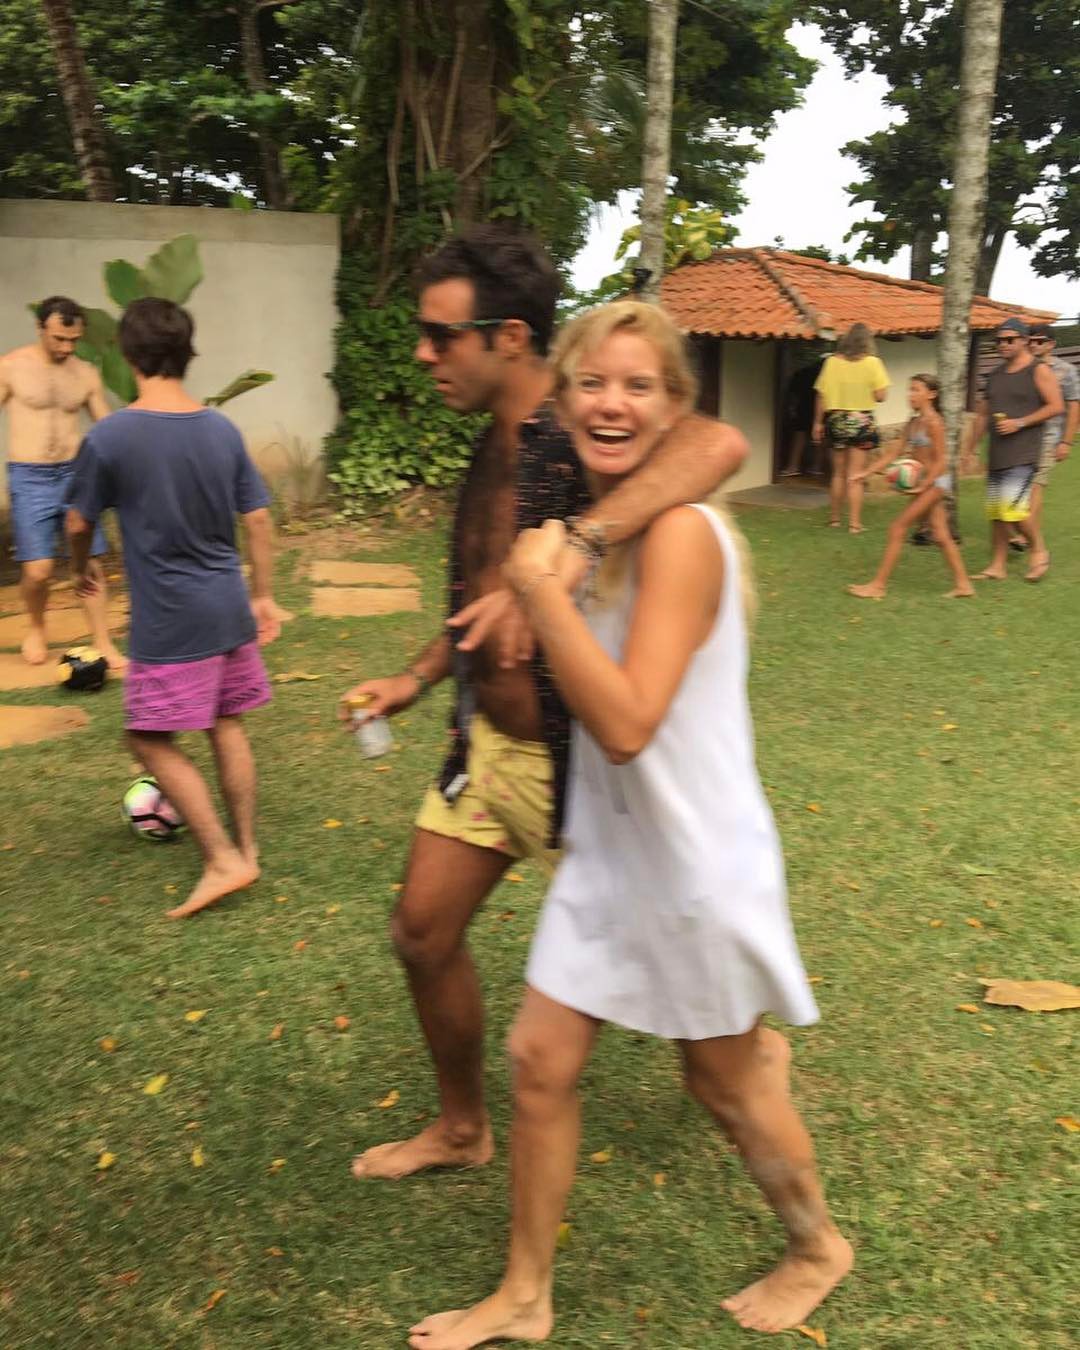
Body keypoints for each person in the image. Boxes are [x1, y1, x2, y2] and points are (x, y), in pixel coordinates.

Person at [407, 301, 851, 1350]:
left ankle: (817, 1246)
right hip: (612, 855)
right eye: (593, 384)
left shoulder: (683, 534)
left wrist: (539, 589)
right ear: (562, 404)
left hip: (695, 859)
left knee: (720, 1080)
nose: (614, 403)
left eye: (640, 385)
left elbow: (626, 726)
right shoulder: (595, 524)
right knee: (540, 1059)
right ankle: (525, 1295)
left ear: (675, 407)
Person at [341, 226, 748, 1182]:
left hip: (589, 768)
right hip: (489, 750)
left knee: (702, 1020)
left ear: (510, 337)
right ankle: (461, 1128)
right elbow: (485, 595)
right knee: (421, 931)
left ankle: (746, 1056)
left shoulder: (582, 430)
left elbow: (719, 441)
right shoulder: (491, 446)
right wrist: (420, 676)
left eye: (442, 335)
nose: (423, 353)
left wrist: (578, 544)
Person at [66, 298, 280, 918]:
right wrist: (264, 595)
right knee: (225, 722)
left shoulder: (110, 436)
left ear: (128, 355)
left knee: (147, 737)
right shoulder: (221, 429)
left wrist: (81, 567)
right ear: (187, 354)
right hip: (227, 605)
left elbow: (78, 521)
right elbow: (258, 518)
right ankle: (247, 848)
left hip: (170, 614)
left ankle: (223, 860)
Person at [0, 297, 125, 668]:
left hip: (75, 473)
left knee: (90, 563)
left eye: (74, 340)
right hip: (29, 476)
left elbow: (106, 426)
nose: (67, 348)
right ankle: (37, 628)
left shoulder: (85, 373)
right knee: (37, 571)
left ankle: (103, 641)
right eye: (59, 339)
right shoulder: (11, 367)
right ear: (40, 328)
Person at [847, 374, 973, 599]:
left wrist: (923, 484)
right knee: (941, 535)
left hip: (936, 482)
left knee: (897, 528)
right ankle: (964, 586)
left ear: (931, 394)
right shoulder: (913, 423)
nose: (910, 394)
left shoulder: (934, 423)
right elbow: (893, 453)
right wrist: (864, 473)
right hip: (925, 482)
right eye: (909, 390)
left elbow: (942, 461)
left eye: (916, 390)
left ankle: (878, 586)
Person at [964, 317, 1063, 583]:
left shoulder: (1038, 370)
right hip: (998, 451)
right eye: (999, 340)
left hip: (1024, 451)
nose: (1003, 344)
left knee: (1012, 509)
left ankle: (1039, 550)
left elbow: (1056, 406)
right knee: (997, 512)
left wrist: (1020, 422)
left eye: (1009, 339)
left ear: (1024, 340)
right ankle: (997, 566)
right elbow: (982, 414)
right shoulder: (995, 375)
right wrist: (969, 449)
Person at [811, 323, 890, 533]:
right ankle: (855, 524)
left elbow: (821, 395)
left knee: (838, 473)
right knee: (856, 475)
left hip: (836, 420)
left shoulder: (831, 362)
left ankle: (834, 519)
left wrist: (817, 423)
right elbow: (881, 396)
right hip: (861, 421)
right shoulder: (873, 363)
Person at [1025, 324, 1078, 557]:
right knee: (1021, 488)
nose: (1033, 345)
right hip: (1021, 436)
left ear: (1051, 344)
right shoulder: (1022, 368)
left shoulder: (1066, 371)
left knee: (1035, 487)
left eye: (1039, 341)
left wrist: (1066, 442)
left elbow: (1074, 406)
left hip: (1049, 438)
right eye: (1030, 341)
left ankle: (1029, 540)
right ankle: (1029, 536)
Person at [779, 355, 825, 477]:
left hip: (803, 407)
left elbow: (792, 393)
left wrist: (791, 407)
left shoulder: (802, 373)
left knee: (799, 436)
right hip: (821, 408)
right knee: (820, 437)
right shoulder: (825, 373)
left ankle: (793, 466)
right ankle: (817, 466)